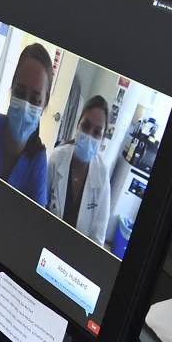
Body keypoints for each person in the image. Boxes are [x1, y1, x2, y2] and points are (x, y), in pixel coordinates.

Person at [0, 42, 54, 205]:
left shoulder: (37, 160)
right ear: (12, 88)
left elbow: (33, 222)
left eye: (35, 100)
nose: (25, 105)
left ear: (44, 105)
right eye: (20, 93)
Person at [48, 95, 113, 244]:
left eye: (97, 132)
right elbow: (40, 207)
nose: (89, 135)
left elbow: (98, 237)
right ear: (77, 126)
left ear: (102, 139)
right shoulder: (57, 159)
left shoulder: (102, 173)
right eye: (85, 126)